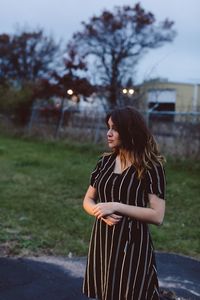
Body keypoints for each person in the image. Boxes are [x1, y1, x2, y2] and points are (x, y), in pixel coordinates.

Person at [82, 106, 166, 300]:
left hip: (132, 242)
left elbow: (158, 215)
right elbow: (88, 200)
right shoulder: (104, 162)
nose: (108, 133)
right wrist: (100, 211)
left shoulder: (151, 166)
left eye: (115, 129)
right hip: (103, 239)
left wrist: (116, 206)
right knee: (106, 291)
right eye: (108, 127)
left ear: (129, 131)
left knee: (131, 293)